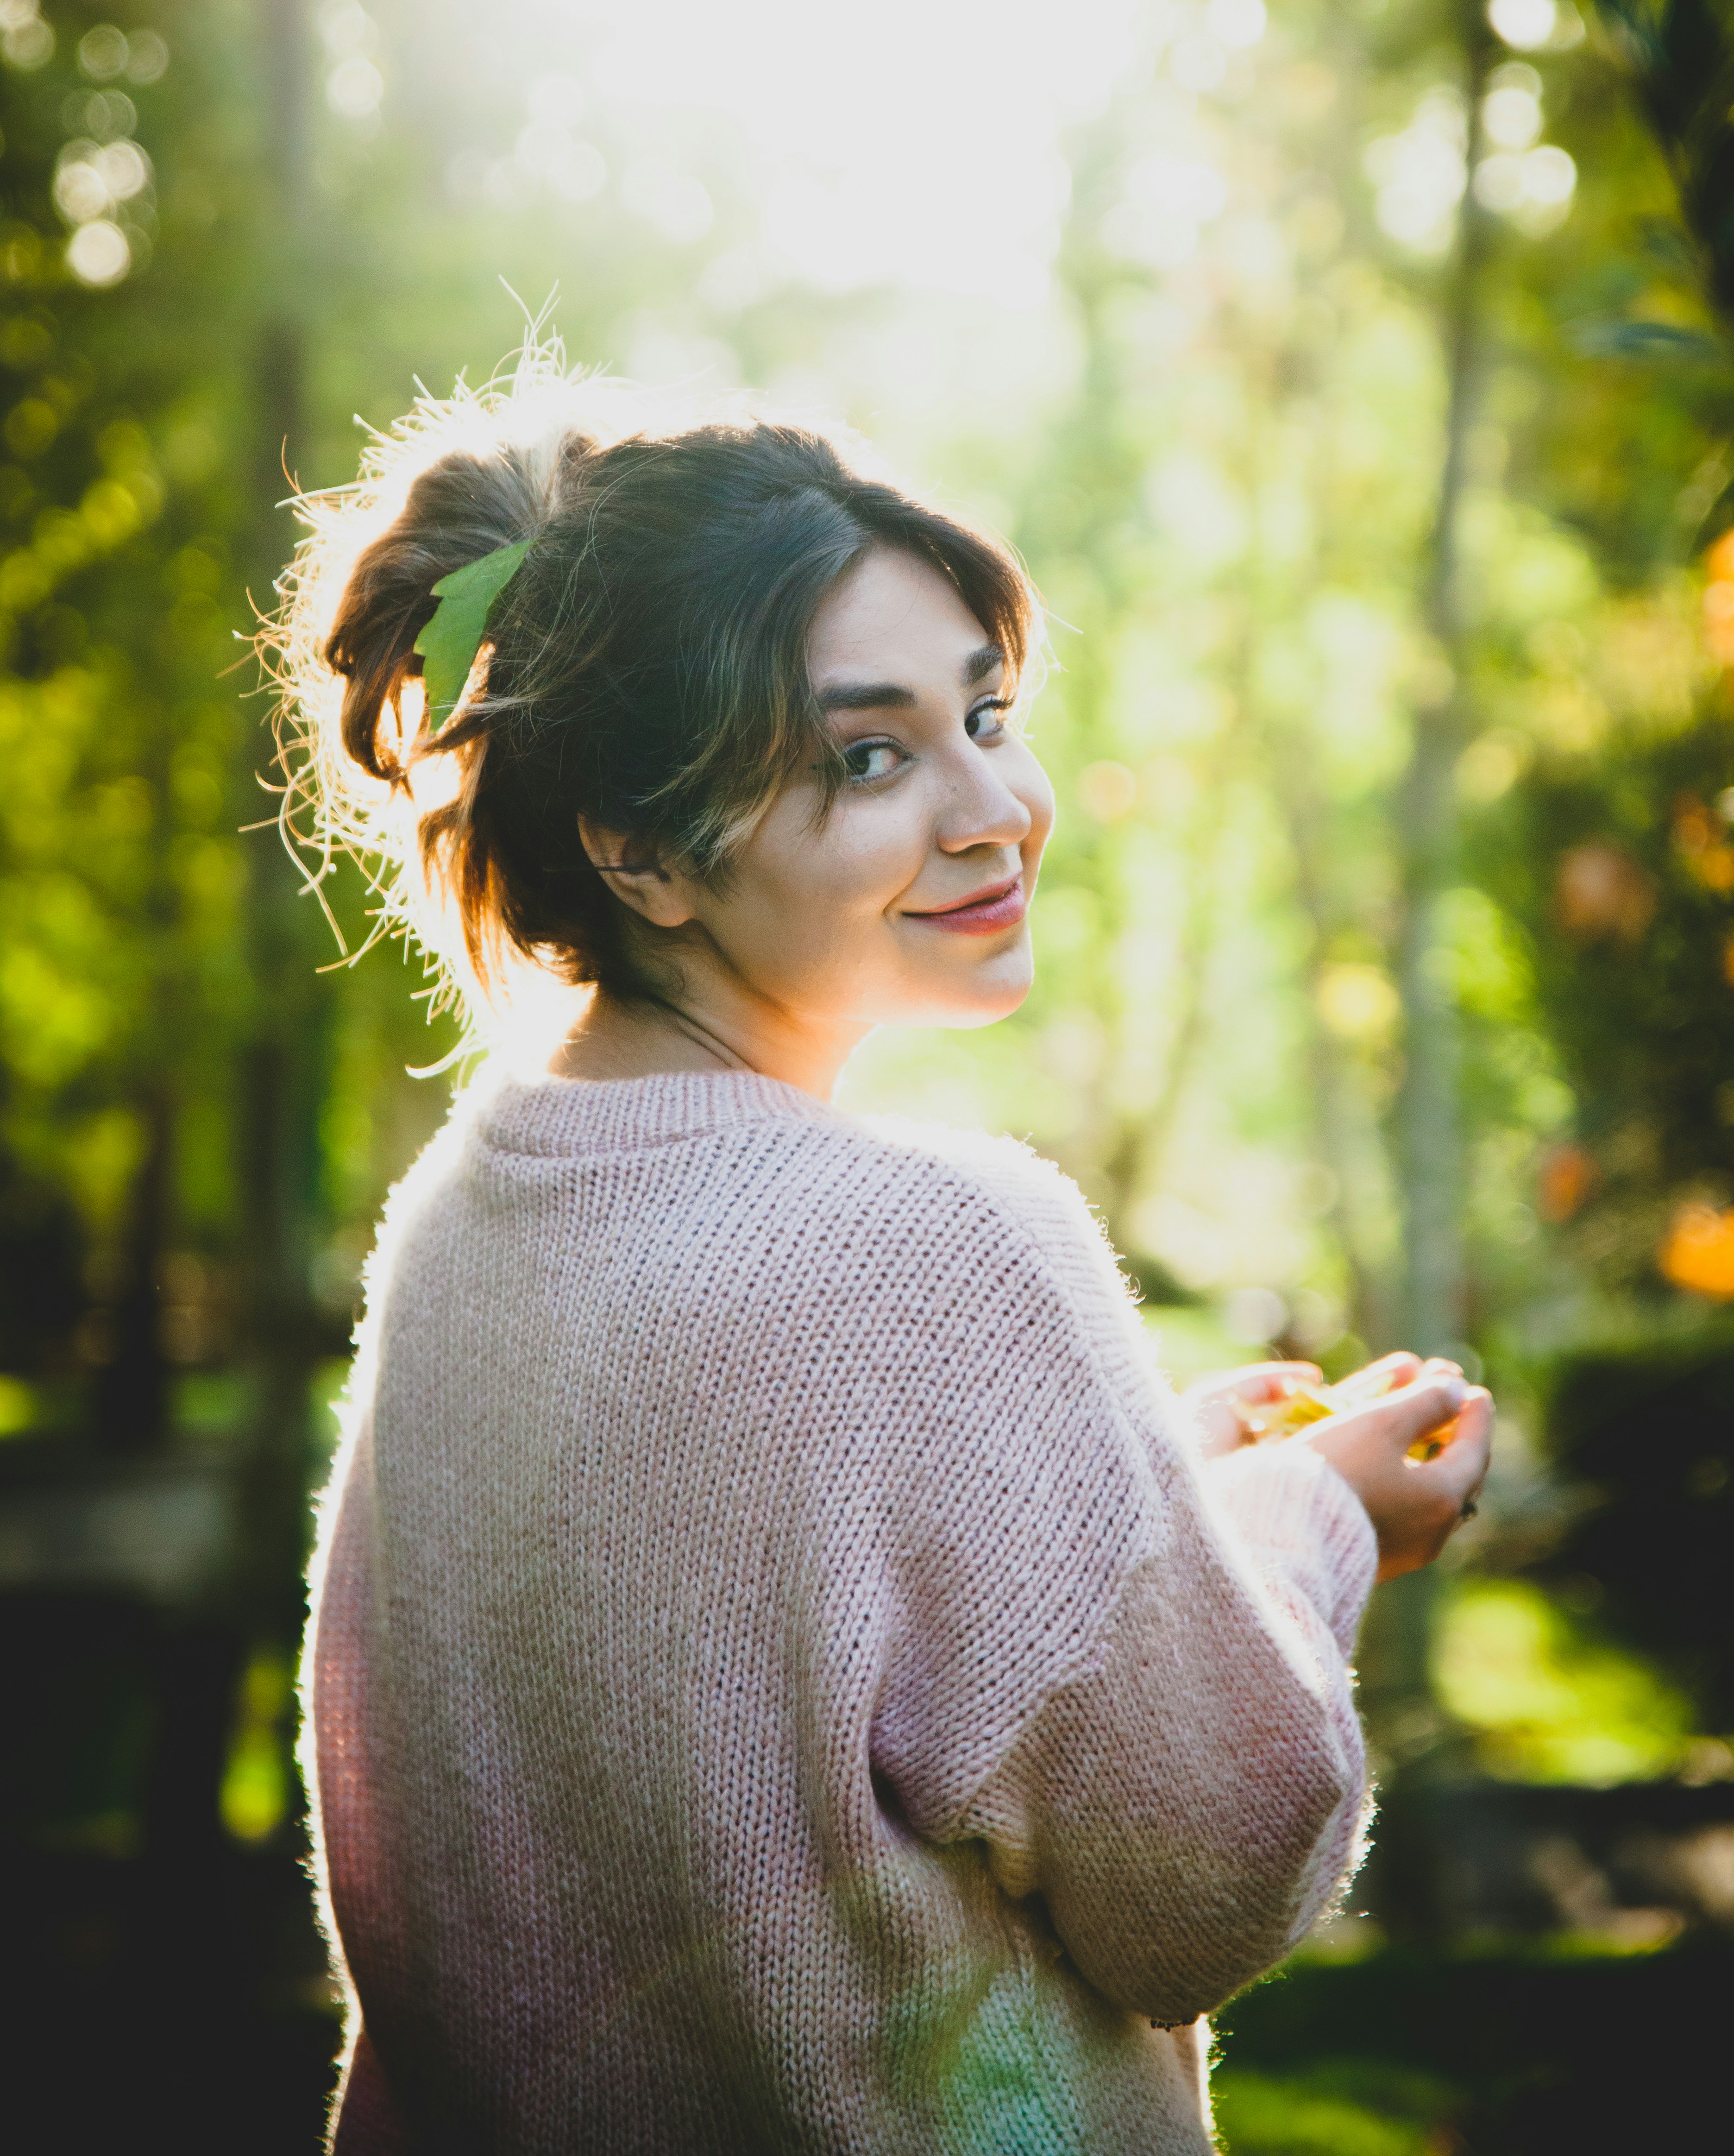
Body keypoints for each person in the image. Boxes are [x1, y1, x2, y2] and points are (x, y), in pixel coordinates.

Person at [287, 358, 1492, 2155]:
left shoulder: (462, 1229)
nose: (993, 805)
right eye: (868, 756)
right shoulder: (940, 1253)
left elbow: (741, 1669)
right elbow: (1204, 1883)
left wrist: (1146, 1486)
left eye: (986, 713)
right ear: (641, 851)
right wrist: (1312, 1531)